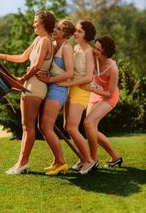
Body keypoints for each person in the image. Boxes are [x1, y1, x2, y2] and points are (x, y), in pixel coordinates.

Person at [0, 11, 55, 174]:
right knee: (27, 126)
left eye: (36, 22)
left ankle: (22, 163)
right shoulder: (38, 40)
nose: (33, 24)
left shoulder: (46, 41)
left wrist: (21, 79)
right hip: (32, 85)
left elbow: (36, 66)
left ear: (43, 23)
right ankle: (21, 163)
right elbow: (22, 57)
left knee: (28, 127)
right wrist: (0, 55)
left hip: (35, 87)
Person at [36, 19, 75, 176]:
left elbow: (70, 73)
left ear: (65, 33)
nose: (54, 29)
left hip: (58, 89)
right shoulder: (52, 44)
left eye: (58, 29)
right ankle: (56, 160)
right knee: (42, 126)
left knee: (47, 126)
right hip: (49, 87)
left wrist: (49, 80)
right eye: (56, 27)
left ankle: (61, 162)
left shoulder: (66, 48)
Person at [58, 20, 97, 175]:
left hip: (81, 91)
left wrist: (68, 83)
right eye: (75, 31)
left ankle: (89, 160)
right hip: (70, 89)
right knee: (67, 126)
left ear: (87, 34)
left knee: (72, 127)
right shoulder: (74, 48)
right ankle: (82, 158)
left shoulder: (89, 51)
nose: (75, 33)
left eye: (79, 31)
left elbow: (88, 77)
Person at [83, 36, 123, 168]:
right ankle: (115, 158)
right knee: (91, 128)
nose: (94, 51)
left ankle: (92, 160)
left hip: (108, 97)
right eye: (94, 47)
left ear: (106, 52)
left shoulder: (113, 68)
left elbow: (110, 93)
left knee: (88, 123)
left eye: (98, 49)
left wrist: (92, 89)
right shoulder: (92, 58)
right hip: (95, 94)